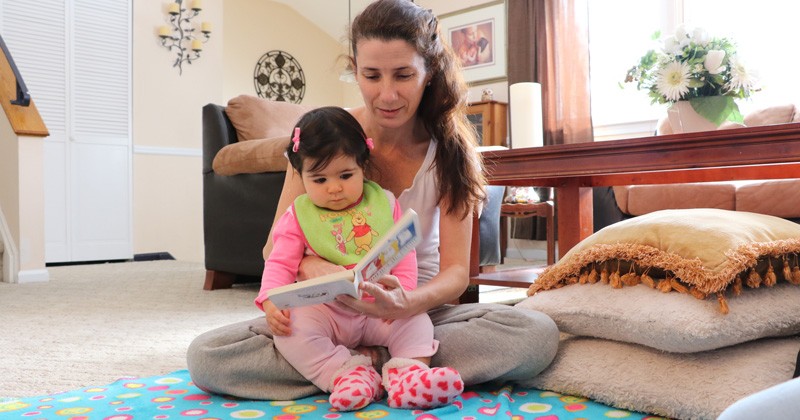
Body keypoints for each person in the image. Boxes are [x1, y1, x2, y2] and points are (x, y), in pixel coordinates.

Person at [187, 0, 559, 402]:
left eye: (403, 75)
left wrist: (403, 304)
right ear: (355, 68)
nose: (387, 94)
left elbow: (454, 273)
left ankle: (360, 366)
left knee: (535, 335)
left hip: (416, 311)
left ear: (429, 71)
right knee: (208, 356)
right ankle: (388, 368)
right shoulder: (322, 139)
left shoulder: (451, 152)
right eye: (371, 75)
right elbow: (276, 243)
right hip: (326, 311)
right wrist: (313, 266)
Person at [258, 106, 462, 411]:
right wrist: (271, 302)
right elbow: (278, 263)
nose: (335, 188)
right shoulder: (297, 216)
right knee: (289, 333)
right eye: (319, 180)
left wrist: (401, 295)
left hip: (380, 309)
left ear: (363, 165)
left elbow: (402, 254)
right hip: (326, 313)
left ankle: (409, 375)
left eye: (345, 175)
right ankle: (347, 373)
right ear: (300, 176)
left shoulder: (384, 204)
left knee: (417, 321)